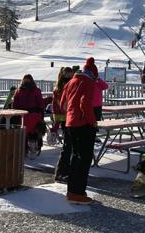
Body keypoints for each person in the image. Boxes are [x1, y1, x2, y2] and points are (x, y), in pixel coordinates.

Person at [61, 57, 98, 205]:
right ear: (92, 74)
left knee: (75, 157)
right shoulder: (88, 82)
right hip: (83, 124)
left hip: (70, 123)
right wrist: (92, 122)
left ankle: (73, 191)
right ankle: (78, 193)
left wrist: (70, 115)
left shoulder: (71, 81)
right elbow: (85, 104)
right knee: (84, 159)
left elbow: (63, 103)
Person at [11, 74, 51, 155]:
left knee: (24, 131)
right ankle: (36, 145)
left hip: (24, 115)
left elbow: (14, 105)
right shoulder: (35, 90)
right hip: (33, 115)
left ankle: (24, 148)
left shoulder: (19, 91)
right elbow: (40, 104)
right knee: (35, 130)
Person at [50, 67, 74, 182]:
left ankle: (64, 170)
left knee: (68, 145)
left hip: (67, 117)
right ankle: (61, 171)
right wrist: (57, 120)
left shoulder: (61, 86)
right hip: (67, 118)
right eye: (68, 74)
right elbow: (58, 105)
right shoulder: (62, 87)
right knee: (68, 145)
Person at [86, 57, 108, 122]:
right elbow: (105, 86)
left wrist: (98, 79)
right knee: (95, 120)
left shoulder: (96, 82)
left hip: (93, 104)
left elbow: (106, 86)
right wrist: (98, 79)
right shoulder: (94, 82)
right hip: (95, 104)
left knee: (93, 120)